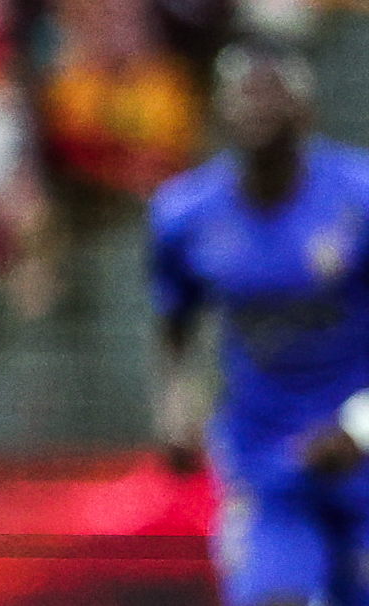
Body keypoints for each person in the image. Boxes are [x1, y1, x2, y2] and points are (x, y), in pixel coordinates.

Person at [150, 39, 369, 606]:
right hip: (267, 459)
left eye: (273, 91)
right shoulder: (184, 214)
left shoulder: (359, 199)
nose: (257, 105)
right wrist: (177, 399)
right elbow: (174, 316)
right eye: (243, 92)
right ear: (218, 109)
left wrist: (360, 426)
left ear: (307, 109)